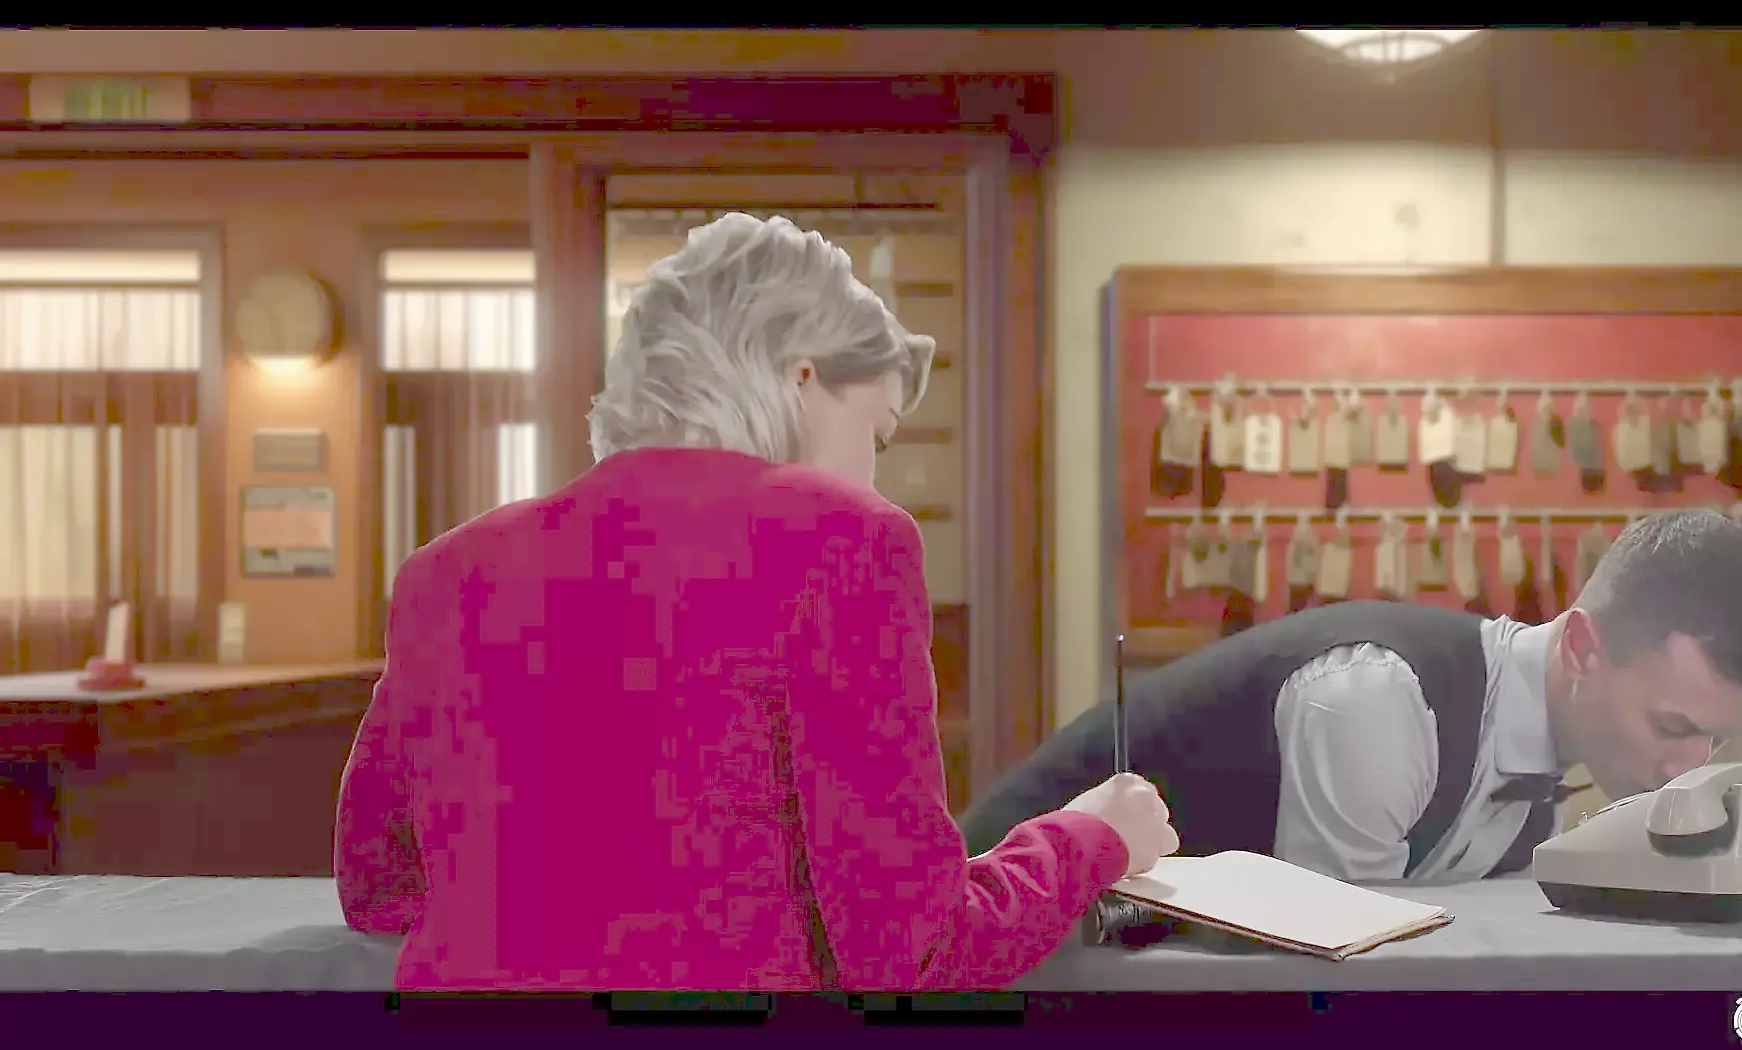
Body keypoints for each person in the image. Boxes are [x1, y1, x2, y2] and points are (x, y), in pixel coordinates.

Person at [333, 213, 1179, 992]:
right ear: (801, 378)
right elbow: (913, 952)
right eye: (878, 433)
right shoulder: (843, 537)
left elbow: (378, 885)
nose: (874, 471)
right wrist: (1091, 836)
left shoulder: (445, 572)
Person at [961, 509, 1742, 883]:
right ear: (1580, 649)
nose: (1688, 769)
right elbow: (1348, 994)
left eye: (1717, 741)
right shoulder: (1378, 703)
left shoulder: (1546, 758)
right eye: (1672, 726)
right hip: (989, 956)